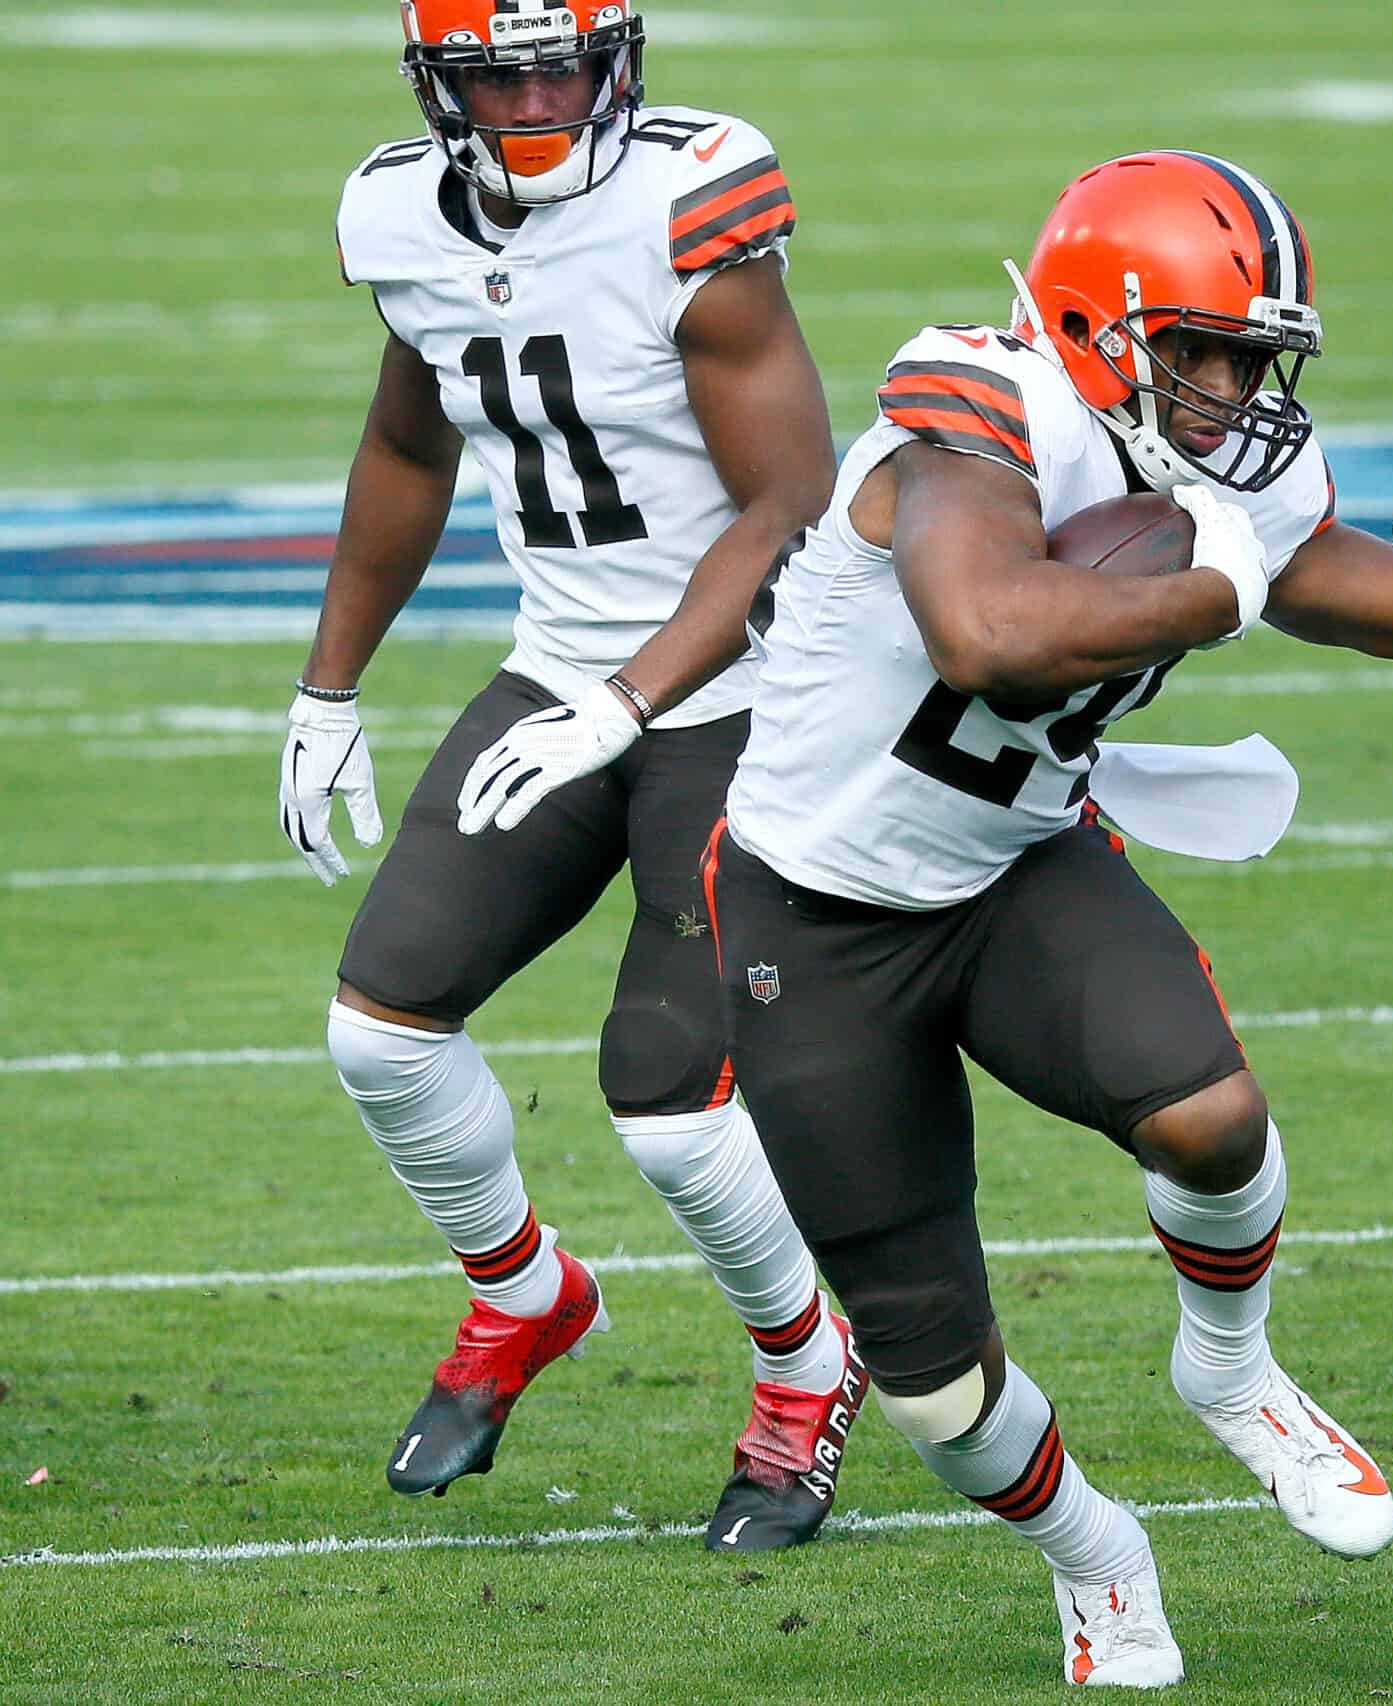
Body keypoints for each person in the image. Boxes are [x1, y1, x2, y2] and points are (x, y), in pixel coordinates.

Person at [705, 149, 1393, 1686]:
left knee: (1212, 1115)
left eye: (1253, 356)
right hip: (814, 915)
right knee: (939, 1394)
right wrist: (1214, 595)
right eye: (1199, 349)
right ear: (1092, 325)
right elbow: (988, 631)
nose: (1232, 390)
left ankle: (1229, 1368)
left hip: (1013, 865)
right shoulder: (976, 394)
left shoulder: (1220, 471)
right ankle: (1098, 1552)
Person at [279, 0, 858, 1553]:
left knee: (668, 1099)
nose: (540, 93)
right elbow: (410, 450)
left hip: (749, 687)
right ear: (437, 80)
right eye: (499, 66)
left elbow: (792, 493)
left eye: (566, 58)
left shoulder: (695, 197)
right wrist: (328, 683)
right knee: (381, 1029)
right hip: (566, 673)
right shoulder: (401, 211)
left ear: (619, 58)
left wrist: (633, 698)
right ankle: (525, 1294)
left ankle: (807, 1368)